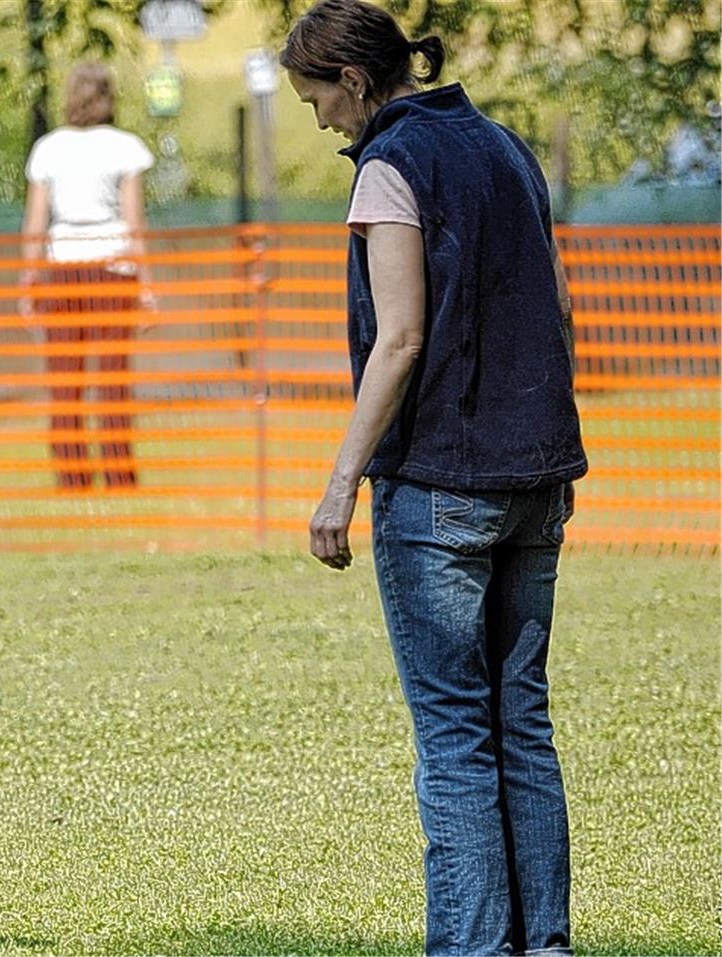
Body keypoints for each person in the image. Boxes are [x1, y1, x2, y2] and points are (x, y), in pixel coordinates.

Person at [280, 2, 588, 954]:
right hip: (537, 473)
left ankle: (472, 945)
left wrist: (342, 481)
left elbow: (401, 335)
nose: (319, 118)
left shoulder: (391, 162)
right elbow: (558, 305)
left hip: (442, 485)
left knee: (456, 734)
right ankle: (545, 943)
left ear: (358, 82)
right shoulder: (502, 145)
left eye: (317, 97)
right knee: (522, 724)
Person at [20, 62, 155, 490]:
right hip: (113, 267)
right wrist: (147, 280)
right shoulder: (126, 147)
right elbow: (134, 220)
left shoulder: (48, 149)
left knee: (65, 377)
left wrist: (28, 278)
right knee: (112, 375)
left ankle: (72, 473)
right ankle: (118, 473)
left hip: (61, 269)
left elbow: (35, 222)